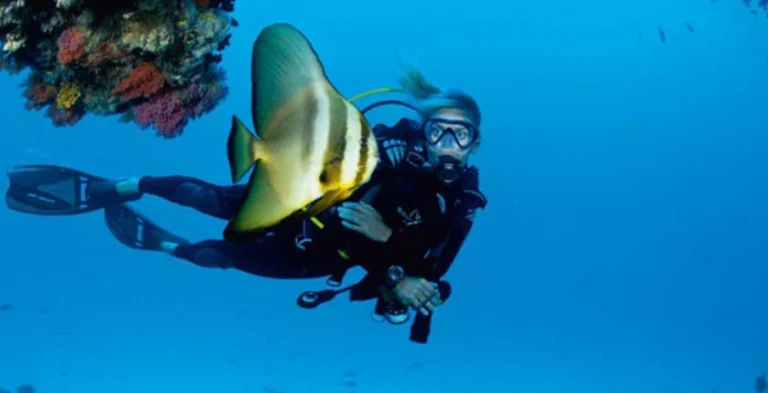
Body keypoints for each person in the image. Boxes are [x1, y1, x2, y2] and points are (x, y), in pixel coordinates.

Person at [5, 68, 487, 342]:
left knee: (220, 256)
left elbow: (430, 278)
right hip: (293, 205)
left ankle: (167, 245)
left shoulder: (459, 207)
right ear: (421, 129)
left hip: (313, 258)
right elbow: (323, 145)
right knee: (209, 197)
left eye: (459, 134)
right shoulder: (380, 149)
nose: (446, 143)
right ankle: (127, 186)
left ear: (473, 145)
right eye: (438, 129)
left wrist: (398, 271)